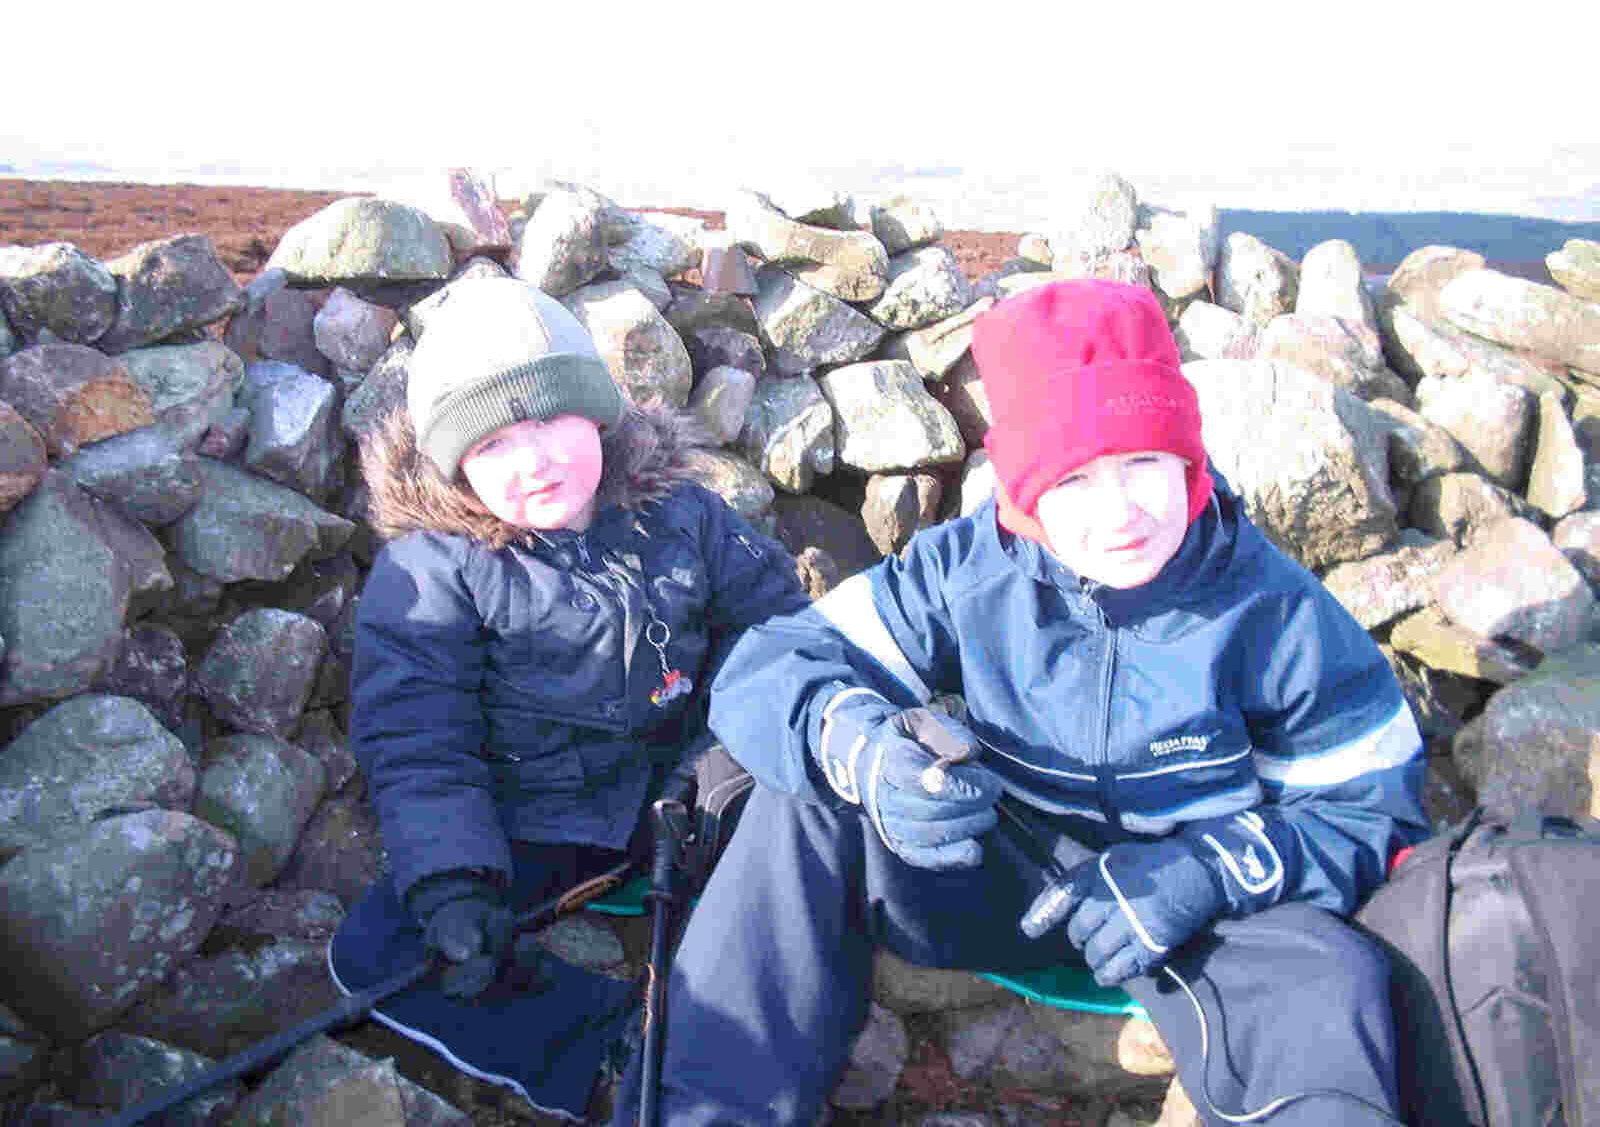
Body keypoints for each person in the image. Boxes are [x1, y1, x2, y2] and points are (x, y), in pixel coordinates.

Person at [617, 279, 1430, 1126]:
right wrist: (869, 757)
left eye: (1145, 463)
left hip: (1203, 921)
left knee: (1330, 975)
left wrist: (1207, 871)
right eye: (1075, 479)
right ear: (1022, 488)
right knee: (802, 801)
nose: (1120, 514)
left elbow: (1375, 814)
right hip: (1006, 875)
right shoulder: (970, 568)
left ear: (1188, 458)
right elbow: (768, 667)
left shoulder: (1277, 610)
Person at [327, 277, 808, 1118]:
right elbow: (418, 740)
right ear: (455, 462)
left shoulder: (683, 511)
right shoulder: (428, 570)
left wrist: (719, 760)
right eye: (497, 442)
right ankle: (604, 1046)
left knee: (800, 834)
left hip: (686, 794)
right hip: (536, 819)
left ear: (599, 416)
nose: (537, 459)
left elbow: (775, 629)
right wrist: (452, 886)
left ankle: (761, 1029)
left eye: (553, 420)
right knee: (379, 953)